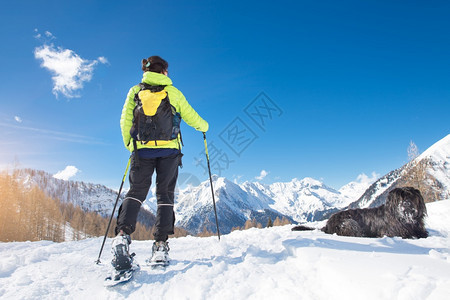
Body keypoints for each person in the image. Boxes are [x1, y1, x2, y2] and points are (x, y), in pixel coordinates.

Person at [111, 55, 208, 271]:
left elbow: (125, 119)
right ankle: (161, 245)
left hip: (141, 150)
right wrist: (205, 127)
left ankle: (122, 236)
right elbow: (191, 116)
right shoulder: (173, 92)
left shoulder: (135, 91)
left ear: (146, 71)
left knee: (135, 192)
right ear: (164, 71)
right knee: (164, 195)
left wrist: (130, 144)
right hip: (169, 151)